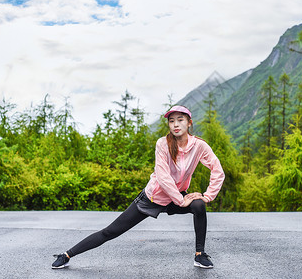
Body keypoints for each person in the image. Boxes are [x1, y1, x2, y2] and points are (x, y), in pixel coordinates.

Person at [52, 105, 225, 269]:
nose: (176, 124)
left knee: (199, 205)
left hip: (176, 197)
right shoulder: (162, 144)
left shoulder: (199, 146)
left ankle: (200, 254)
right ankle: (66, 255)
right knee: (110, 231)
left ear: (189, 123)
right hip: (152, 198)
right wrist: (181, 200)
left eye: (180, 120)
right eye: (171, 121)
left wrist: (207, 196)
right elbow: (163, 177)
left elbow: (217, 170)